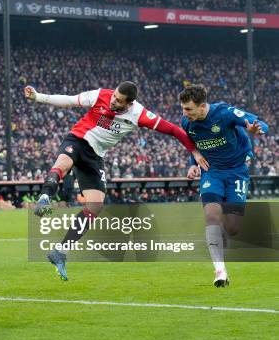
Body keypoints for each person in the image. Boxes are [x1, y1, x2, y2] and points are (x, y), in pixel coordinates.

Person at [24, 82, 209, 281]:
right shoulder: (100, 95)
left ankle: (60, 251)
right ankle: (45, 198)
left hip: (95, 157)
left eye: (119, 101)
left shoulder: (139, 114)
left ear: (129, 104)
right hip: (78, 140)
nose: (113, 101)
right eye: (114, 96)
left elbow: (174, 130)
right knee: (62, 164)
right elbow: (69, 101)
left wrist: (195, 152)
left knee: (95, 206)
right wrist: (38, 97)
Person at [180, 84, 269, 287]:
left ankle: (218, 242)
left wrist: (256, 128)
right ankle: (220, 271)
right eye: (183, 108)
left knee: (232, 228)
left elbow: (262, 124)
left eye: (189, 109)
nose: (185, 114)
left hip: (237, 171)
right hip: (212, 172)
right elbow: (192, 146)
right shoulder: (187, 123)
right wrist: (192, 165)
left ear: (202, 107)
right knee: (211, 215)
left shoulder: (225, 113)